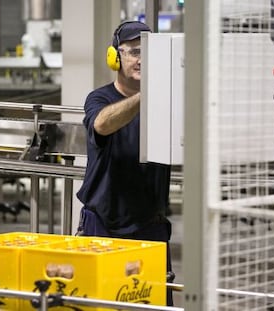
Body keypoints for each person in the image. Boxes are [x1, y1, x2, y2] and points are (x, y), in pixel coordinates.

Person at [76, 20, 174, 306]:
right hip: (104, 221)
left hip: (150, 222)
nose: (141, 59)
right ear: (115, 58)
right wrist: (147, 96)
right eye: (133, 52)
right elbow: (102, 124)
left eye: (148, 53)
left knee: (153, 301)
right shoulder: (100, 98)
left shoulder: (167, 100)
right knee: (100, 302)